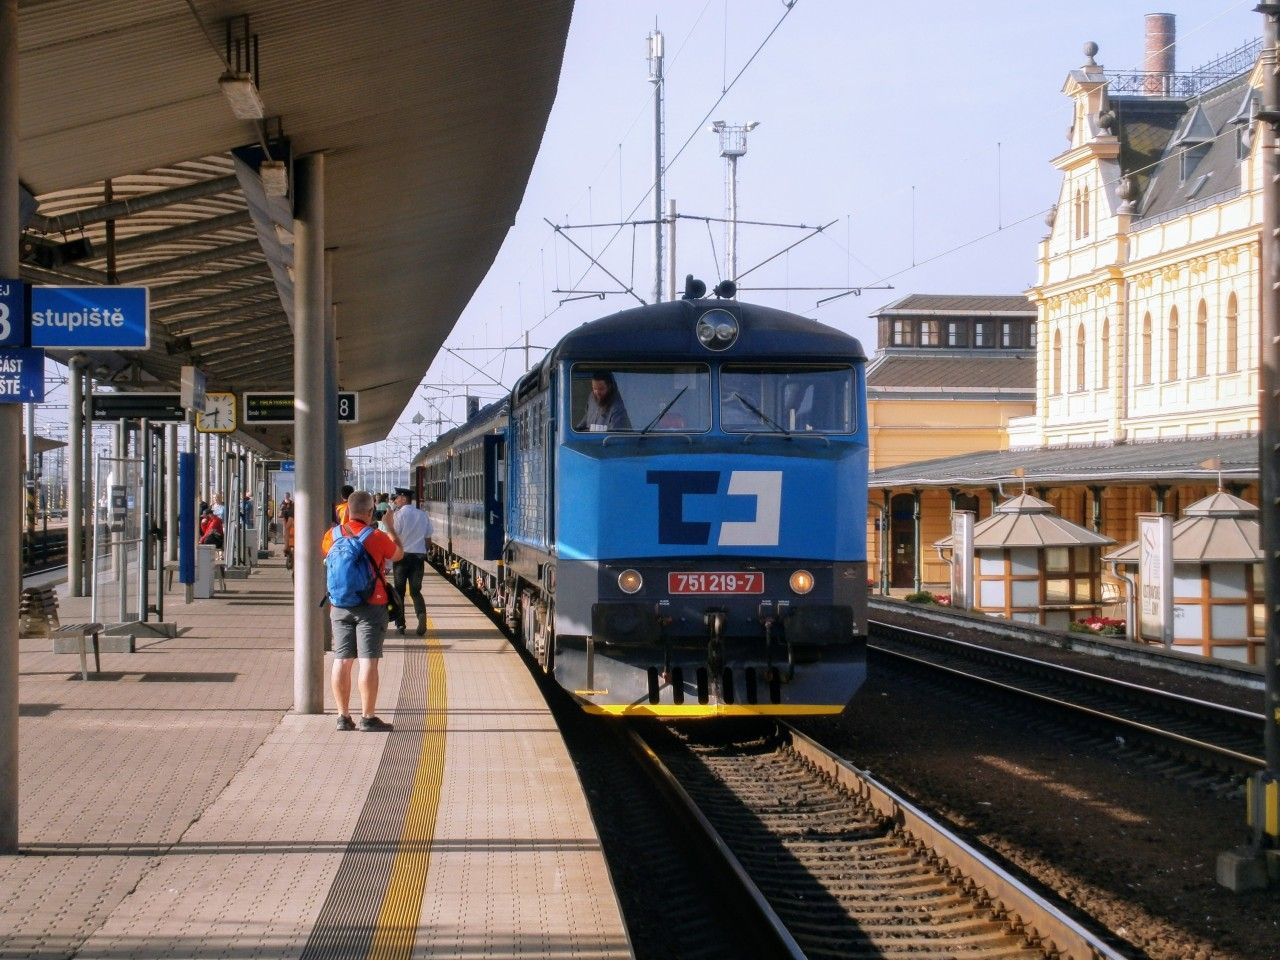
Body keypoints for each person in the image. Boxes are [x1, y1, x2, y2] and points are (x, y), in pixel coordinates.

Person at [322, 490, 403, 732]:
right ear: (370, 512)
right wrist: (390, 527)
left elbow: (329, 560)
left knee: (343, 659)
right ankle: (368, 717)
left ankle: (342, 716)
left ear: (347, 511)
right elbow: (398, 554)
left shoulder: (331, 536)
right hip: (371, 604)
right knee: (368, 661)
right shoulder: (376, 536)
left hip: (339, 605)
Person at [384, 487, 432, 637]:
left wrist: (387, 561)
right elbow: (428, 540)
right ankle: (421, 614)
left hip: (402, 558)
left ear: (404, 499)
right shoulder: (423, 515)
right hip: (418, 558)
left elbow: (393, 537)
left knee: (399, 592)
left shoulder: (398, 516)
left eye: (397, 498)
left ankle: (401, 625)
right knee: (416, 591)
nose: (395, 500)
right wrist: (423, 551)